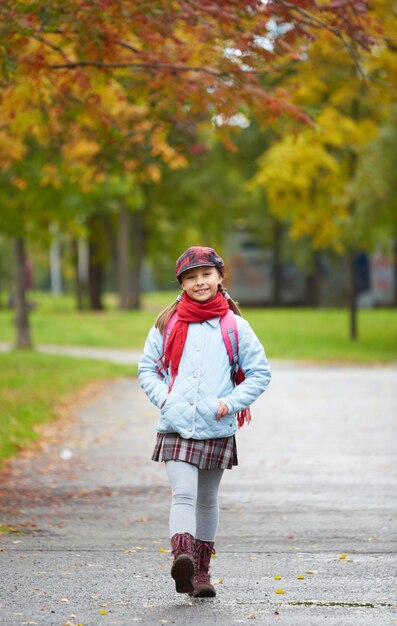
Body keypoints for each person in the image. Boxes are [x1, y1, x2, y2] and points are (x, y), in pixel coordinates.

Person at [138, 246, 271, 598]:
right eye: (191, 277)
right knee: (183, 492)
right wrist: (166, 399)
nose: (200, 282)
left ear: (219, 277)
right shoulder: (167, 323)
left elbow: (259, 373)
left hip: (216, 424)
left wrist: (229, 403)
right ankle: (182, 556)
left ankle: (201, 572)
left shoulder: (235, 327)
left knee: (208, 498)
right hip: (176, 424)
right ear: (182, 283)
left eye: (206, 275)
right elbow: (147, 369)